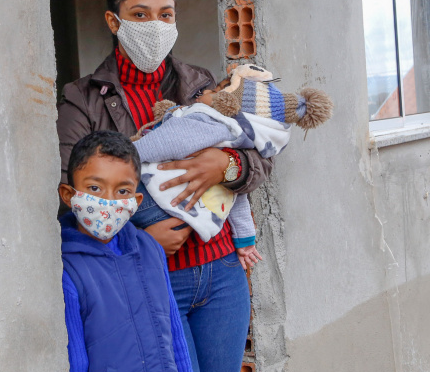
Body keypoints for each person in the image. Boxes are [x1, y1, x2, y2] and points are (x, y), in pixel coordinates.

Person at [56, 0, 273, 372]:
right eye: (140, 14)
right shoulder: (81, 100)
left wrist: (227, 166)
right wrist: (141, 241)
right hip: (153, 275)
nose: (155, 25)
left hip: (223, 273)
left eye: (166, 14)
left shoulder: (201, 84)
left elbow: (259, 151)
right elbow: (71, 195)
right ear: (112, 21)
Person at [129, 63, 333, 269]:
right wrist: (245, 240)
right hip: (184, 220)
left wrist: (121, 155)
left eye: (218, 90)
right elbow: (234, 197)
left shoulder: (209, 122)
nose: (207, 91)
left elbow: (168, 140)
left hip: (152, 200)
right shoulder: (237, 138)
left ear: (227, 103)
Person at [58, 130, 196, 372]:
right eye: (95, 188)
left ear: (135, 201)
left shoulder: (149, 250)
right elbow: (75, 368)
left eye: (123, 191)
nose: (109, 201)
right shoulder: (68, 269)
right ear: (69, 195)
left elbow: (175, 336)